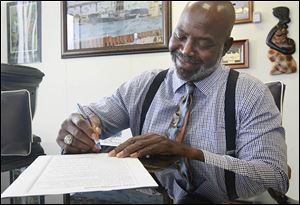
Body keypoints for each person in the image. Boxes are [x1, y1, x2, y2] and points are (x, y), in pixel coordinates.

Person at [56, 1, 289, 203]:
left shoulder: (251, 94)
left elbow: (275, 176)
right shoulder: (145, 85)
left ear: (226, 47)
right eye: (180, 35)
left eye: (204, 43)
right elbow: (92, 116)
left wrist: (189, 153)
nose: (186, 50)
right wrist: (78, 128)